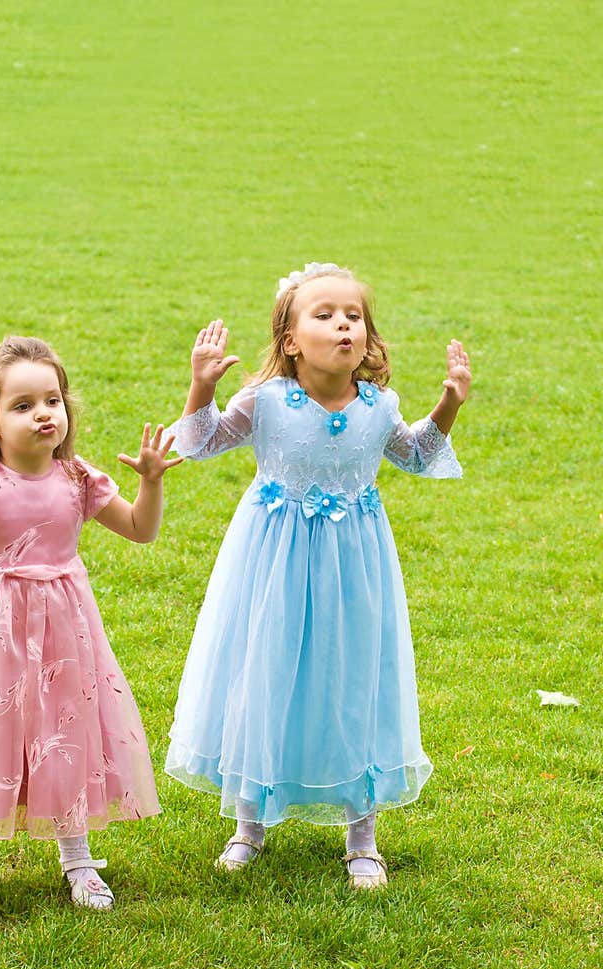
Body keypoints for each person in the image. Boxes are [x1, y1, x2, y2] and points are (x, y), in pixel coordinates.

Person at [165, 262, 470, 889]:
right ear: (290, 340)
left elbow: (414, 453)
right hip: (271, 560)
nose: (343, 325)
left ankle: (362, 833)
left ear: (368, 335)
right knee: (264, 670)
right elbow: (199, 442)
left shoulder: (378, 404)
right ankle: (249, 821)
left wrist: (448, 404)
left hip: (354, 565)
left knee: (355, 677)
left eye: (353, 316)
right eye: (324, 315)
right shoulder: (268, 401)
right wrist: (200, 387)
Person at [0, 335, 182, 912]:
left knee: (64, 729)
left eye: (52, 400)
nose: (43, 413)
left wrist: (151, 482)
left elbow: (140, 529)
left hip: (62, 631)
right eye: (22, 405)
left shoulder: (77, 479)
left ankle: (77, 857)